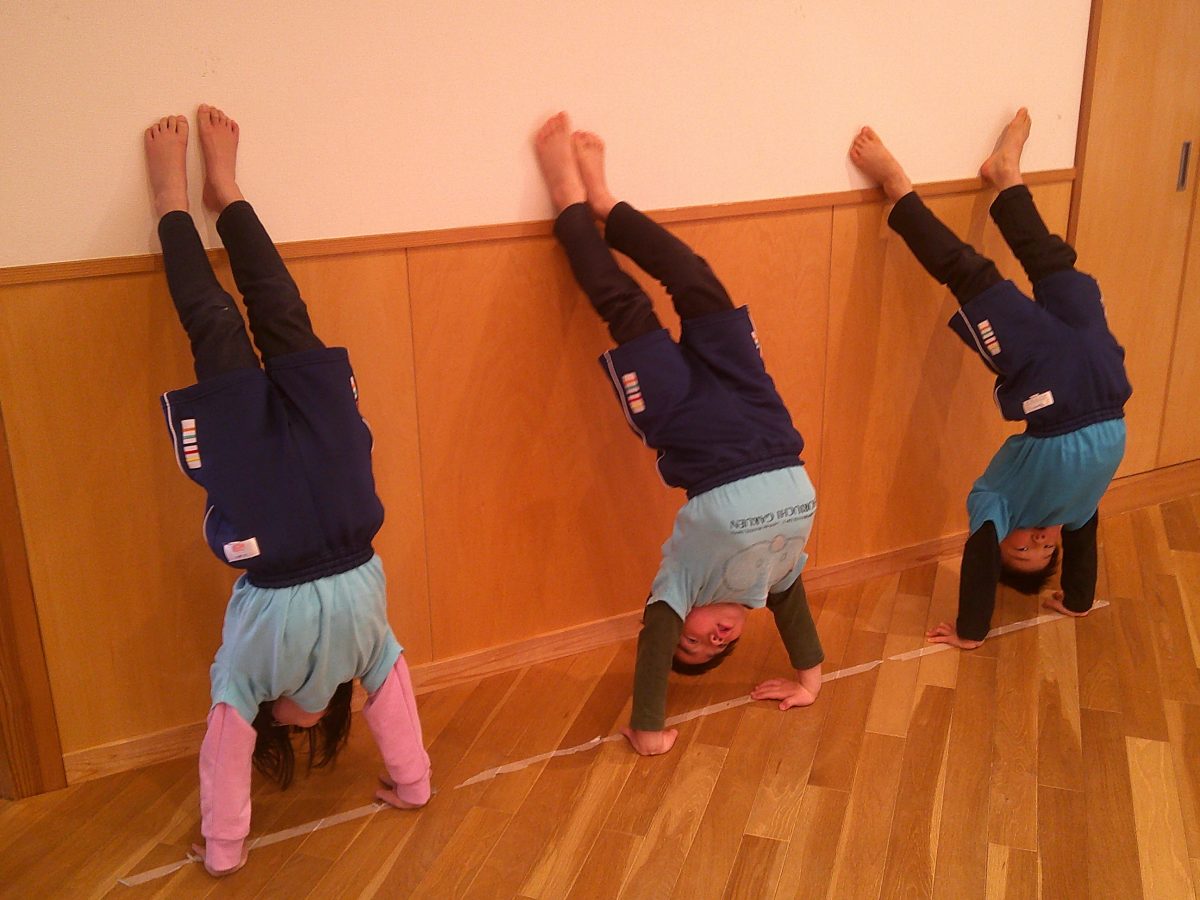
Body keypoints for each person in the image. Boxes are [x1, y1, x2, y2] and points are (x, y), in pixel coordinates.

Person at [144, 106, 431, 876]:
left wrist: (225, 847)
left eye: (288, 732)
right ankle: (228, 192)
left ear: (269, 721)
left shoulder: (247, 676)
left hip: (265, 500)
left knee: (214, 323)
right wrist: (412, 782)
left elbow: (223, 749)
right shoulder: (365, 654)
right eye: (314, 728)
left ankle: (171, 203)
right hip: (336, 478)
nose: (302, 723)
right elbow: (396, 701)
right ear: (333, 709)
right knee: (280, 307)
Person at [533, 113, 824, 757]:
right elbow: (797, 618)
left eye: (689, 641)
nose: (709, 639)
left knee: (630, 306)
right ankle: (601, 205)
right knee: (698, 280)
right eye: (715, 648)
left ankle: (577, 205)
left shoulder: (682, 583)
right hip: (762, 415)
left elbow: (652, 644)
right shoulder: (770, 578)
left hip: (692, 432)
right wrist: (809, 681)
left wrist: (648, 727)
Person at [848, 109, 1131, 649]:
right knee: (1052, 261)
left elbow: (979, 558)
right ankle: (1006, 175)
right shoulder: (1076, 512)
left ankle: (896, 186)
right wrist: (1077, 598)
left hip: (1048, 383)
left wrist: (972, 630)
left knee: (971, 274)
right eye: (1046, 550)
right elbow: (1084, 539)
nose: (1038, 541)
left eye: (1022, 549)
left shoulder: (995, 508)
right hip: (1103, 375)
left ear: (1001, 540)